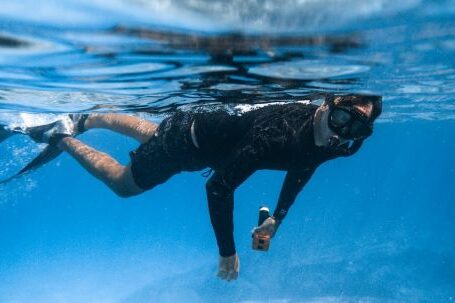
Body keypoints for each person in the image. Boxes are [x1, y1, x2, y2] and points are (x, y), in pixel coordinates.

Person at [25, 94, 382, 281]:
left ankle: (87, 118)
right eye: (340, 121)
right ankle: (63, 135)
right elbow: (218, 188)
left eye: (355, 131)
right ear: (327, 104)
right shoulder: (280, 136)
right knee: (123, 184)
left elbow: (304, 168)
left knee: (151, 131)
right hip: (186, 145)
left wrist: (278, 217)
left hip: (195, 127)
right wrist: (227, 251)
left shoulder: (329, 143)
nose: (341, 134)